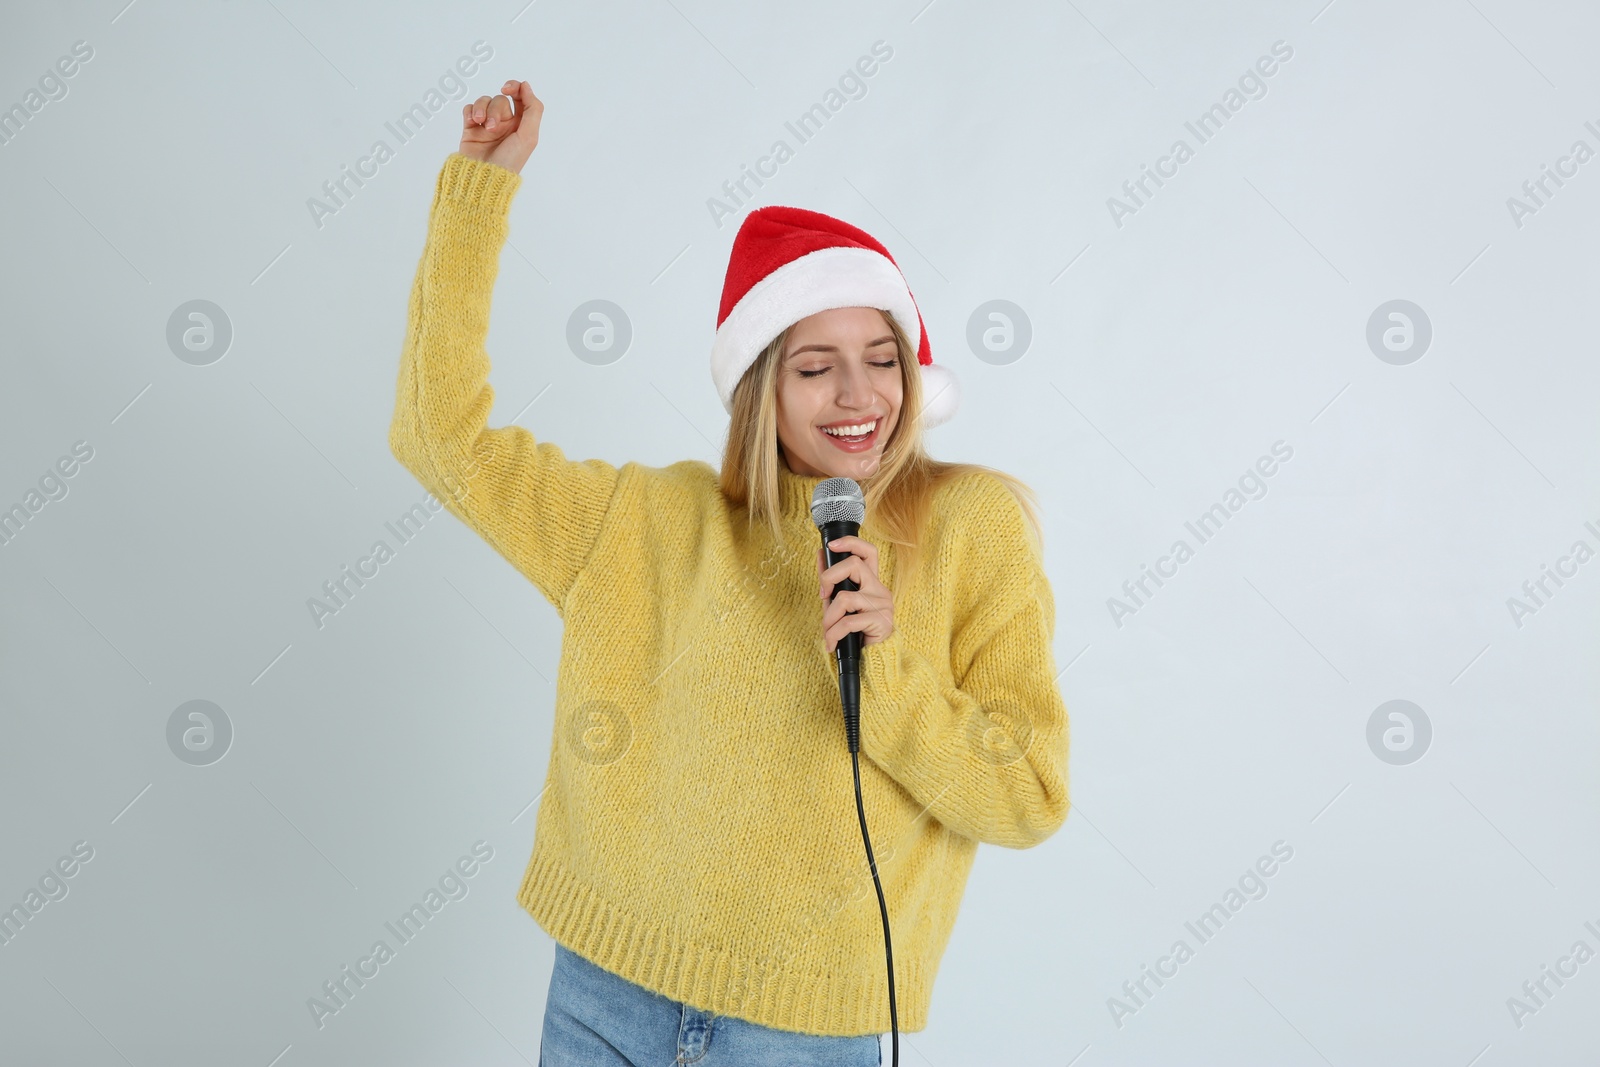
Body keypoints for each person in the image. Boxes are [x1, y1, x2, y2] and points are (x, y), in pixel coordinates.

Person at [388, 79, 1071, 1066]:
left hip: (803, 1032)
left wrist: (884, 669)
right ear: (760, 385)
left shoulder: (973, 525)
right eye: (814, 365)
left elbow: (1028, 793)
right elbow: (437, 437)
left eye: (881, 358)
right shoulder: (646, 521)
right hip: (600, 999)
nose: (857, 395)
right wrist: (475, 193)